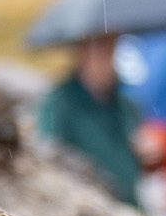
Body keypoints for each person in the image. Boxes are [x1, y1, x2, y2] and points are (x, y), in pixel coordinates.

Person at [35, 33, 144, 207]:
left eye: (113, 50)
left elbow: (135, 156)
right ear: (83, 54)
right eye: (103, 52)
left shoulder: (125, 104)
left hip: (128, 205)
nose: (110, 61)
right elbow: (49, 155)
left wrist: (147, 154)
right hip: (83, 209)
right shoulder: (59, 104)